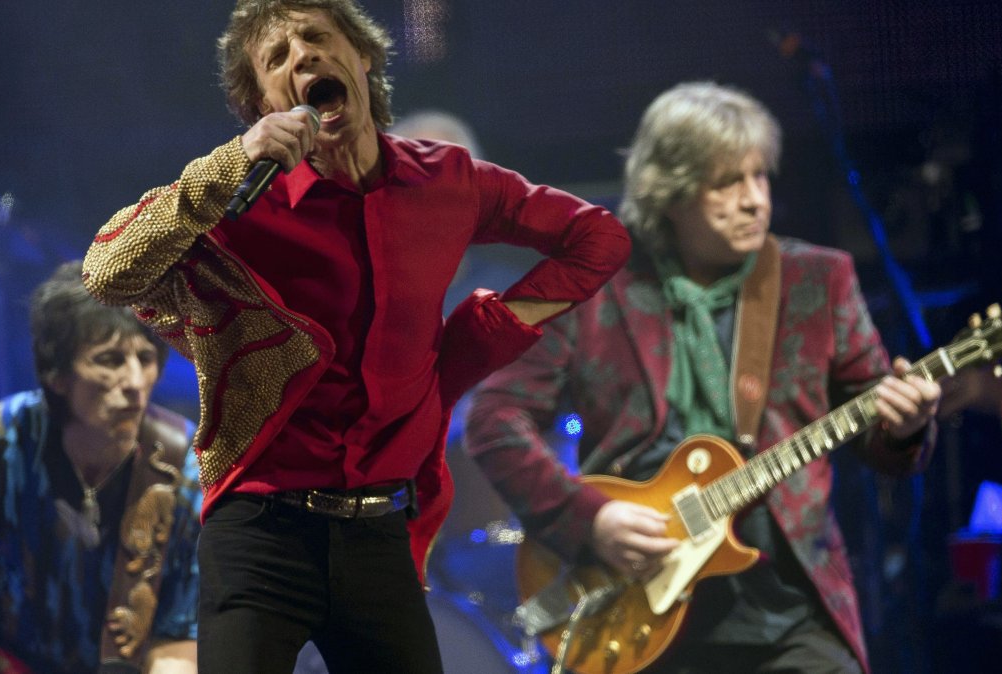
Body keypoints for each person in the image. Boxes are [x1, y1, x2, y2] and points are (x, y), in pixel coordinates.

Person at [80, 1, 630, 672]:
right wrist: (233, 162)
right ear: (262, 106)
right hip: (260, 531)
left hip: (379, 533)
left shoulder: (446, 181)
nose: (301, 57)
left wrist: (482, 337)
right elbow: (107, 271)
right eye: (275, 59)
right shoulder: (242, 206)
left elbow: (598, 239)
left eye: (315, 37)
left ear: (362, 58)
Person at [464, 81, 942, 673]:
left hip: (789, 606)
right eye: (726, 183)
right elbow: (494, 417)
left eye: (759, 176)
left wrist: (906, 426)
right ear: (670, 193)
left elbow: (881, 438)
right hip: (633, 598)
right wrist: (591, 519)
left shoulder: (819, 280)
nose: (754, 200)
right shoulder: (595, 288)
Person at [0, 261, 201, 674]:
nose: (134, 381)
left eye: (145, 358)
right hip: (11, 658)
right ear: (56, 373)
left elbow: (181, 626)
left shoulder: (184, 462)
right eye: (109, 360)